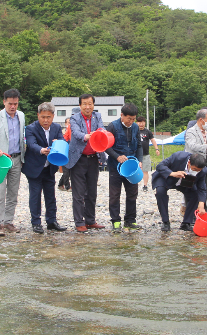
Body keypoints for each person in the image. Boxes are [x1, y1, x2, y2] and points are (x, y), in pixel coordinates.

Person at [0, 89, 26, 236]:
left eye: (15, 103)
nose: (13, 107)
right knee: (0, 192)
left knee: (13, 193)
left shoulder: (21, 116)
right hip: (0, 159)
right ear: (4, 102)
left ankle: (8, 221)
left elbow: (22, 137)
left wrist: (23, 158)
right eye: (10, 104)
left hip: (16, 158)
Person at [23, 102, 67, 234]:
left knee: (50, 195)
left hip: (49, 167)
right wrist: (41, 150)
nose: (46, 120)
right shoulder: (30, 128)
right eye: (43, 117)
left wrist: (58, 143)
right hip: (34, 167)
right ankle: (36, 222)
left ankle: (51, 221)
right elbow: (31, 144)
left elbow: (62, 140)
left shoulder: (56, 128)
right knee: (35, 195)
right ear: (38, 115)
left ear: (53, 116)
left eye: (48, 117)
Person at [66, 94, 106, 233]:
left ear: (93, 105)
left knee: (92, 192)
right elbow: (76, 133)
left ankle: (90, 220)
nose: (87, 107)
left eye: (90, 104)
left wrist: (100, 133)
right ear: (80, 105)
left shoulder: (98, 116)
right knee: (78, 193)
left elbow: (102, 129)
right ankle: (79, 222)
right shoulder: (74, 117)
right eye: (84, 104)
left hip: (94, 158)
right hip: (78, 158)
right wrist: (87, 136)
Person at [105, 103, 143, 231]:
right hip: (115, 166)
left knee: (132, 194)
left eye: (133, 119)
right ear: (122, 115)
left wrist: (140, 161)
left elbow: (139, 146)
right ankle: (115, 221)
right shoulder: (113, 126)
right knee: (115, 195)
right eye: (129, 119)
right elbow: (106, 146)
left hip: (132, 166)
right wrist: (117, 156)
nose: (131, 121)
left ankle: (130, 220)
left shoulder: (136, 127)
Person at [151, 151, 207, 232]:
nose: (196, 172)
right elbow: (160, 166)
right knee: (160, 192)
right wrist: (172, 173)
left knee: (195, 194)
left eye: (198, 170)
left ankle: (186, 223)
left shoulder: (203, 170)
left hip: (186, 181)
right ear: (189, 163)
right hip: (167, 178)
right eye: (194, 169)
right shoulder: (178, 156)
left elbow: (202, 188)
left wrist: (202, 204)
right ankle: (165, 222)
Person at [185, 108, 207, 215]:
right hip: (193, 166)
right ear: (201, 120)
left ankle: (203, 212)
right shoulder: (191, 131)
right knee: (191, 191)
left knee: (203, 190)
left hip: (204, 167)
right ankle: (189, 216)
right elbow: (192, 146)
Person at [137, 116, 159, 192]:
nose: (141, 124)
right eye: (139, 122)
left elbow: (153, 140)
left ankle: (145, 185)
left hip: (145, 154)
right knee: (134, 170)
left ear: (145, 123)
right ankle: (134, 185)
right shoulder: (134, 131)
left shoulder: (147, 131)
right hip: (135, 154)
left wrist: (157, 149)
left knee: (145, 170)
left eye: (143, 122)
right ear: (136, 123)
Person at [58, 117, 72, 191]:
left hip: (71, 153)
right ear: (65, 123)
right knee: (66, 171)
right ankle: (67, 186)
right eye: (68, 122)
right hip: (64, 152)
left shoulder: (72, 130)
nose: (70, 123)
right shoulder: (63, 132)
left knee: (69, 171)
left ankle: (60, 184)